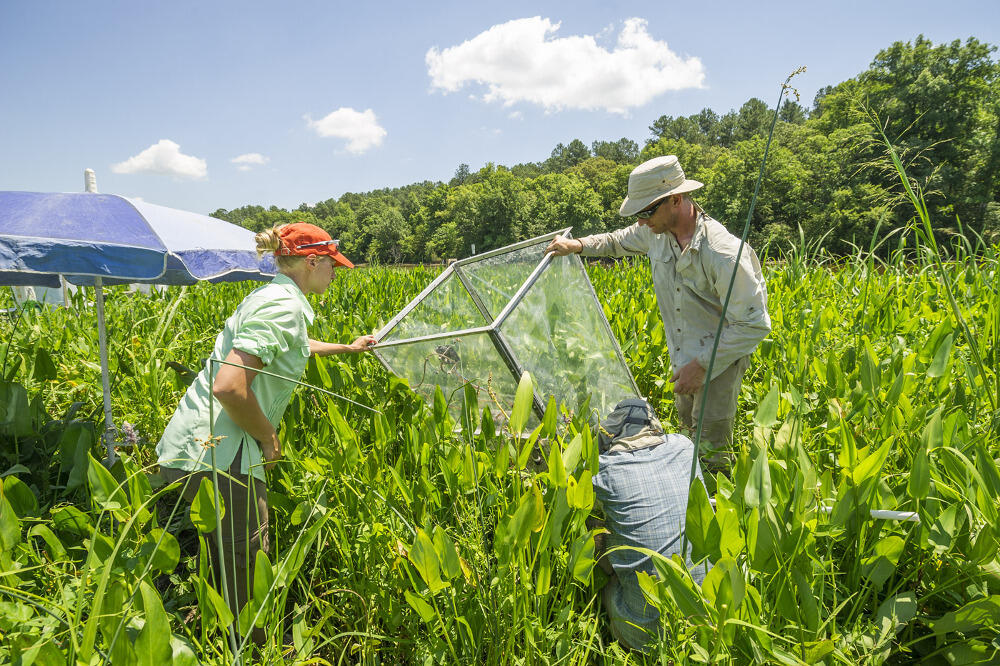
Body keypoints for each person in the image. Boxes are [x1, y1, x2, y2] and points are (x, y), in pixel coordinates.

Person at [155, 222, 375, 645]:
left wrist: (345, 348)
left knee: (220, 559)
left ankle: (211, 636)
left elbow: (290, 344)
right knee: (248, 565)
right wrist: (269, 437)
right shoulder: (283, 306)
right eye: (333, 265)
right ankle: (251, 650)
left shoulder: (273, 297)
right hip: (221, 454)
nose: (335, 272)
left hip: (191, 448)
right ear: (312, 262)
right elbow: (229, 386)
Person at [546, 155, 770, 471]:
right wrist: (577, 245)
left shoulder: (722, 254)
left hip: (719, 361)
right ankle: (688, 496)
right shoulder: (654, 232)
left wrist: (702, 366)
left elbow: (753, 323)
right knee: (688, 437)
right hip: (683, 356)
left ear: (675, 200)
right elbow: (615, 241)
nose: (640, 221)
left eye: (646, 211)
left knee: (711, 448)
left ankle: (714, 507)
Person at [592, 397, 709, 651]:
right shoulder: (685, 447)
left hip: (644, 634)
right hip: (708, 617)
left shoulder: (603, 471)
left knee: (594, 528)